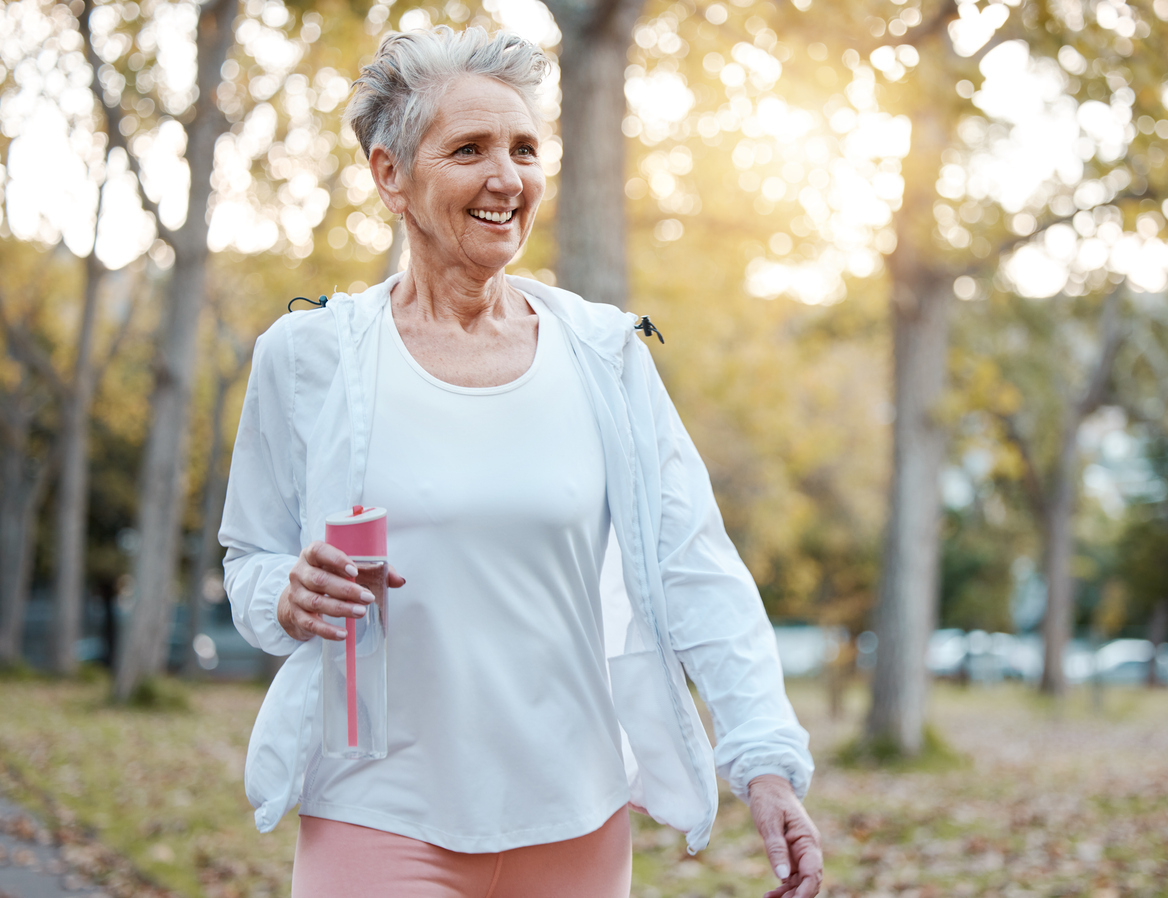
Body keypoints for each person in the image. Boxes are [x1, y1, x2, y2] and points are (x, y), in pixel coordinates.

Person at [219, 25, 821, 898]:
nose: (507, 178)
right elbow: (250, 560)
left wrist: (765, 763)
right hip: (375, 806)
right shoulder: (308, 357)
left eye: (525, 149)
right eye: (469, 149)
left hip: (572, 815)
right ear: (391, 175)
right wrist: (285, 592)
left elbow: (696, 565)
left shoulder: (605, 356)